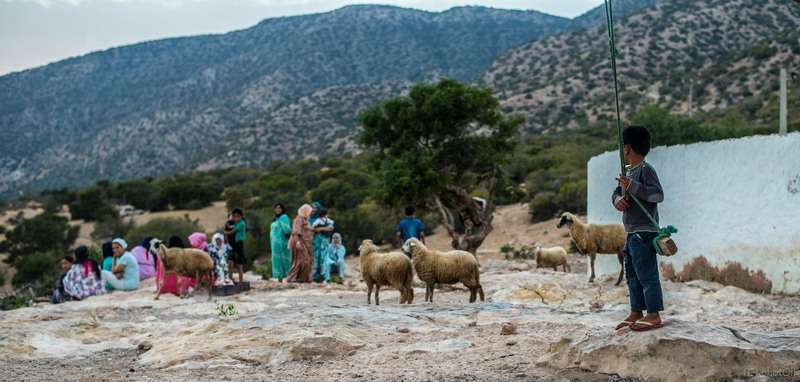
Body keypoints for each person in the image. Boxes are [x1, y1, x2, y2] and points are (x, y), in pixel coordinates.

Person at [612, 125, 666, 332]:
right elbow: (615, 194)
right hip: (631, 233)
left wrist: (633, 186)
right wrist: (618, 199)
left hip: (645, 232)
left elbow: (657, 195)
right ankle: (636, 311)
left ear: (627, 149)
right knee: (632, 275)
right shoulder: (627, 173)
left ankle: (653, 314)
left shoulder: (646, 170)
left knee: (647, 274)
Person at [287, 204, 314, 283]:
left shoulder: (305, 220)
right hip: (298, 242)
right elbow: (296, 232)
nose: (310, 213)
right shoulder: (298, 219)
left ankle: (303, 278)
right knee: (300, 260)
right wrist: (297, 242)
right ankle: (292, 278)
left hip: (304, 243)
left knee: (305, 260)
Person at [310, 206, 334, 283]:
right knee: (321, 258)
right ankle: (321, 276)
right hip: (322, 241)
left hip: (320, 241)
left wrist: (320, 229)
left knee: (318, 258)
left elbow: (314, 229)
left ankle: (318, 276)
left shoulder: (319, 221)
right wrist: (324, 228)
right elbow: (329, 228)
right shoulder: (327, 221)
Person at [269, 203, 292, 283]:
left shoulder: (284, 217)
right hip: (274, 243)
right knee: (276, 260)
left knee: (285, 259)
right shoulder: (274, 219)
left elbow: (287, 230)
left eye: (280, 208)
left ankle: (288, 278)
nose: (278, 209)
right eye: (276, 208)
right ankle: (279, 278)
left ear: (282, 209)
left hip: (283, 242)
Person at [227, 208, 247, 284]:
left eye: (238, 216)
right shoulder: (234, 223)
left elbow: (232, 231)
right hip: (233, 245)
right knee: (230, 262)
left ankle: (241, 282)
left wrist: (227, 232)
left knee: (239, 264)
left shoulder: (242, 223)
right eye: (234, 216)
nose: (236, 218)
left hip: (239, 244)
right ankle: (230, 279)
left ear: (241, 216)